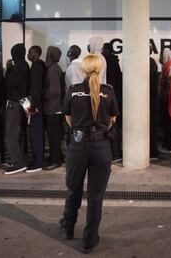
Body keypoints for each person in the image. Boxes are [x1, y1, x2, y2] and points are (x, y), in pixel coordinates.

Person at [59, 54, 119, 253]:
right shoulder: (109, 91)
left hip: (77, 146)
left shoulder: (73, 91)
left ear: (83, 70)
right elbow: (112, 120)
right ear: (100, 69)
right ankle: (89, 240)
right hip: (101, 147)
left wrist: (80, 129)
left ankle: (68, 227)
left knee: (73, 189)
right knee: (95, 196)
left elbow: (68, 119)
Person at [4, 44, 29, 174]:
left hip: (14, 103)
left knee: (11, 134)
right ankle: (21, 159)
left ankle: (18, 163)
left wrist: (8, 70)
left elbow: (9, 83)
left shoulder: (18, 67)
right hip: (23, 101)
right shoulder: (25, 65)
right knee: (19, 132)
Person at [43, 46, 64, 170]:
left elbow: (54, 91)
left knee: (53, 136)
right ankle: (56, 157)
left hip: (53, 108)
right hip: (55, 107)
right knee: (54, 135)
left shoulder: (52, 70)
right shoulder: (54, 68)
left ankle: (55, 160)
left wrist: (42, 93)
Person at [26, 45, 46, 172]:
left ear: (37, 53)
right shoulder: (40, 66)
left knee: (35, 133)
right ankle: (38, 159)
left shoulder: (36, 67)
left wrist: (33, 107)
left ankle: (38, 162)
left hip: (36, 106)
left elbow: (37, 88)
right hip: (38, 105)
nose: (28, 54)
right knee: (36, 133)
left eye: (30, 52)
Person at [102, 43, 123, 161]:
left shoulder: (110, 62)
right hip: (116, 97)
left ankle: (115, 153)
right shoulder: (113, 61)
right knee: (114, 125)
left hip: (113, 97)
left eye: (104, 50)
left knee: (113, 125)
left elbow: (111, 83)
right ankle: (115, 152)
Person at [159, 50, 171, 151]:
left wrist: (165, 96)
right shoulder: (166, 66)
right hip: (164, 99)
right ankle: (167, 142)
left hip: (168, 99)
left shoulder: (170, 67)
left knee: (169, 123)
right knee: (165, 122)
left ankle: (170, 143)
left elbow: (169, 84)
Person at [150, 51, 160, 160]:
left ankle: (153, 152)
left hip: (149, 100)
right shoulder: (152, 63)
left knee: (150, 127)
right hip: (152, 100)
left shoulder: (148, 63)